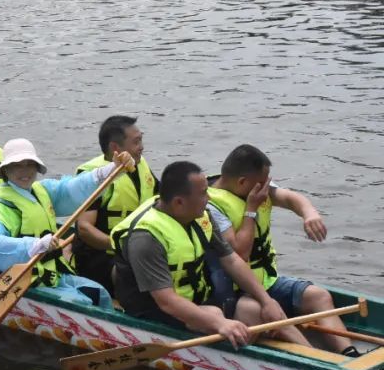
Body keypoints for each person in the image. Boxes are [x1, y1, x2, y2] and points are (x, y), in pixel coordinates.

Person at [111, 161, 292, 348]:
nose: (209, 198)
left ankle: (312, 359)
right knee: (214, 314)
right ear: (179, 202)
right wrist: (221, 324)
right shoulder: (146, 239)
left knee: (257, 310)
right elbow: (167, 301)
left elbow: (231, 260)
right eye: (203, 193)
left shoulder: (200, 215)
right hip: (154, 310)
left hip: (195, 299)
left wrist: (266, 300)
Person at [206, 145, 358, 355]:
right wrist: (251, 210)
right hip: (236, 290)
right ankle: (318, 360)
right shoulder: (211, 206)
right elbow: (240, 254)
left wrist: (309, 213)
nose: (267, 187)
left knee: (318, 296)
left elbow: (290, 198)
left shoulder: (257, 187)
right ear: (242, 182)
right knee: (274, 315)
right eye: (263, 182)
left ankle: (349, 353)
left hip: (266, 280)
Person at [0, 138, 132, 308]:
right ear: (5, 170)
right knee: (82, 303)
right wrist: (35, 245)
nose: (25, 171)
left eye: (30, 164)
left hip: (50, 274)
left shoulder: (42, 190)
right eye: (17, 165)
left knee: (99, 292)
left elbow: (71, 189)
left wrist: (109, 170)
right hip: (22, 280)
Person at [73, 115, 158, 293]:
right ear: (115, 147)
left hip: (136, 247)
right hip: (100, 257)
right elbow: (84, 229)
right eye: (136, 142)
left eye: (141, 140)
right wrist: (122, 247)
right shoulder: (92, 176)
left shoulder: (140, 165)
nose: (141, 147)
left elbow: (162, 198)